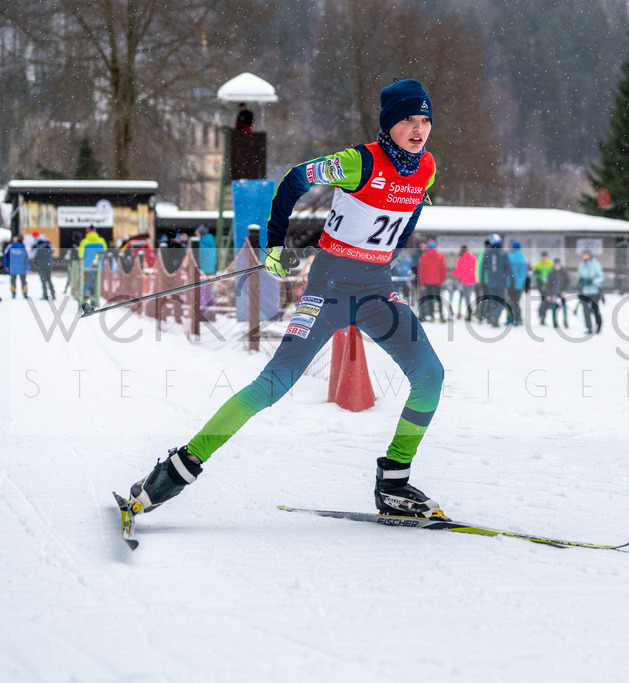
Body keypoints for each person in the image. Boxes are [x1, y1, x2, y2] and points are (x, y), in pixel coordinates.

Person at [124, 78, 449, 521]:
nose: (418, 129)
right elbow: (295, 179)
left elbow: (411, 209)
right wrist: (275, 243)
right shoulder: (357, 162)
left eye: (425, 120)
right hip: (330, 289)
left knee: (430, 375)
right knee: (272, 385)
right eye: (408, 120)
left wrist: (393, 247)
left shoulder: (426, 166)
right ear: (388, 124)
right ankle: (175, 471)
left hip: (376, 289)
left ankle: (393, 480)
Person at [480, 234, 511, 327]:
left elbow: (483, 268)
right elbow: (508, 268)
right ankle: (495, 317)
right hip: (501, 282)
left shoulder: (487, 253)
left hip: (490, 282)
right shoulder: (503, 253)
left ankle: (493, 318)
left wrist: (482, 280)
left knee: (492, 301)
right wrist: (510, 279)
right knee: (501, 301)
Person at [417, 240, 448, 322]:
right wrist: (443, 279)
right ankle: (441, 316)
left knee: (430, 299)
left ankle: (432, 316)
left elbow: (421, 271)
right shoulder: (440, 256)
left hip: (428, 282)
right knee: (438, 299)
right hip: (438, 281)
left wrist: (422, 283)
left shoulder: (424, 257)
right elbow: (443, 269)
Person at [577, 250, 605, 334]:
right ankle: (588, 327)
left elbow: (601, 277)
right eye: (583, 255)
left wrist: (592, 281)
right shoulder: (581, 265)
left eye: (585, 255)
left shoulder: (596, 265)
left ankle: (598, 324)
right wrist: (581, 282)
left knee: (594, 309)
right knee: (585, 310)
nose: (584, 257)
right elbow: (579, 276)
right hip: (584, 291)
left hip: (594, 291)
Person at [451, 245, 477, 320]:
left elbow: (458, 271)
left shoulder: (461, 259)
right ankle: (471, 312)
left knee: (465, 298)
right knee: (469, 297)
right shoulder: (473, 258)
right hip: (472, 281)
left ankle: (468, 312)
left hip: (464, 281)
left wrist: (453, 274)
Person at [507, 241, 528, 326]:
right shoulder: (522, 258)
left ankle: (512, 318)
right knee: (516, 302)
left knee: (510, 302)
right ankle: (518, 318)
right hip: (519, 285)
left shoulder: (509, 256)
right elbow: (525, 273)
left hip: (510, 283)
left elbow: (507, 270)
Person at [545, 258, 570, 329]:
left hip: (562, 293)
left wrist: (564, 291)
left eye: (558, 264)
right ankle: (554, 322)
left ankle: (565, 322)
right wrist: (549, 294)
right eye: (556, 264)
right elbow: (548, 285)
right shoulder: (551, 273)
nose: (557, 266)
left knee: (564, 307)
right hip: (553, 293)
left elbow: (567, 282)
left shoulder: (564, 273)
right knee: (554, 307)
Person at [4, 235, 30, 299]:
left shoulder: (10, 247)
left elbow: (5, 257)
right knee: (23, 281)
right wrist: (27, 268)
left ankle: (13, 294)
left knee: (13, 281)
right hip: (22, 267)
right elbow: (27, 259)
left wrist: (6, 266)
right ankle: (25, 294)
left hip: (12, 266)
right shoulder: (23, 247)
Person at [32, 233, 56, 300]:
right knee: (49, 280)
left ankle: (45, 295)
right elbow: (53, 250)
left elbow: (34, 258)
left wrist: (36, 264)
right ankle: (53, 294)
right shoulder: (49, 246)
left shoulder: (38, 248)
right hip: (48, 266)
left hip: (41, 266)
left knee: (43, 281)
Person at [532, 251, 554, 324]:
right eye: (543, 256)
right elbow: (535, 272)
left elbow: (554, 273)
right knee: (545, 299)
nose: (544, 258)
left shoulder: (550, 263)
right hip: (541, 284)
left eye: (545, 256)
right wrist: (537, 274)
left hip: (549, 285)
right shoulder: (538, 264)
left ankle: (541, 314)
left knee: (546, 300)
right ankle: (542, 315)